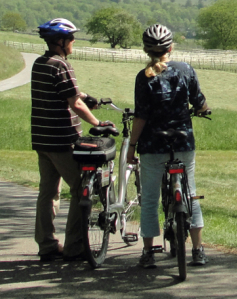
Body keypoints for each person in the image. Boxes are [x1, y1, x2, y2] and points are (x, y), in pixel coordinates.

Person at [127, 24, 211, 269]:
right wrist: (202, 109)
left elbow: (141, 116)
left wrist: (132, 146)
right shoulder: (185, 70)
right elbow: (199, 100)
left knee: (151, 199)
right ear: (170, 48)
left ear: (146, 51)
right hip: (182, 141)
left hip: (153, 145)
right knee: (191, 194)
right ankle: (197, 250)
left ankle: (148, 252)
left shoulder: (143, 78)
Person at [32, 18, 111, 262]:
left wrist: (87, 96)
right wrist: (97, 123)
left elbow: (70, 93)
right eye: (71, 38)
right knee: (80, 190)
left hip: (42, 140)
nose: (74, 42)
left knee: (48, 192)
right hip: (62, 140)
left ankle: (46, 245)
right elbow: (74, 103)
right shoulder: (62, 66)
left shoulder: (40, 63)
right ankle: (75, 246)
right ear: (61, 42)